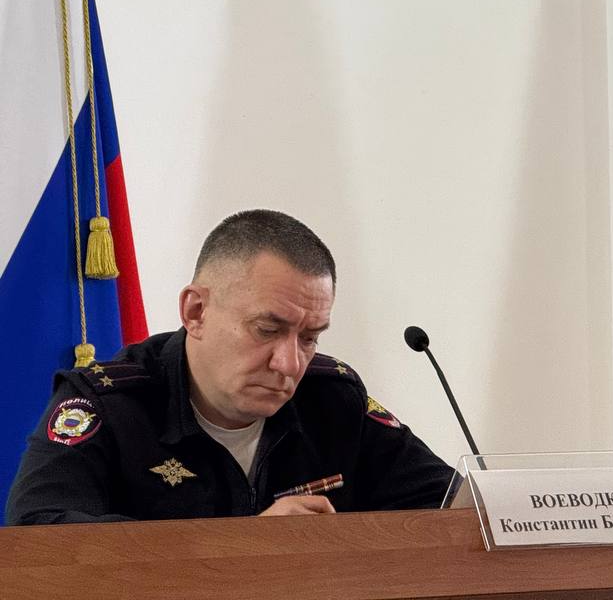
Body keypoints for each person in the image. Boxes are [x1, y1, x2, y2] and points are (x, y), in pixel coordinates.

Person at [6, 210, 455, 524]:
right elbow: (40, 535)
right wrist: (242, 547)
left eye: (310, 337)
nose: (289, 363)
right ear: (196, 312)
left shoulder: (332, 397)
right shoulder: (109, 404)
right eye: (267, 329)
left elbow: (453, 506)